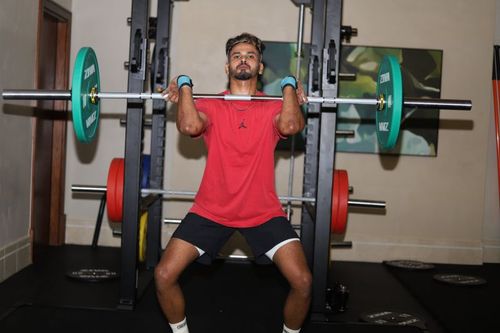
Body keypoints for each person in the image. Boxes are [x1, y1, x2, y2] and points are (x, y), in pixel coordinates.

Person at [155, 32, 312, 333]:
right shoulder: (212, 104)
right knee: (163, 275)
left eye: (250, 55)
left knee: (303, 282)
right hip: (211, 210)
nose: (243, 59)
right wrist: (185, 84)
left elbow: (291, 125)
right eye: (237, 55)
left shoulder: (273, 106)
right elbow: (189, 125)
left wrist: (289, 86)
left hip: (262, 211)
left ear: (260, 67)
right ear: (227, 67)